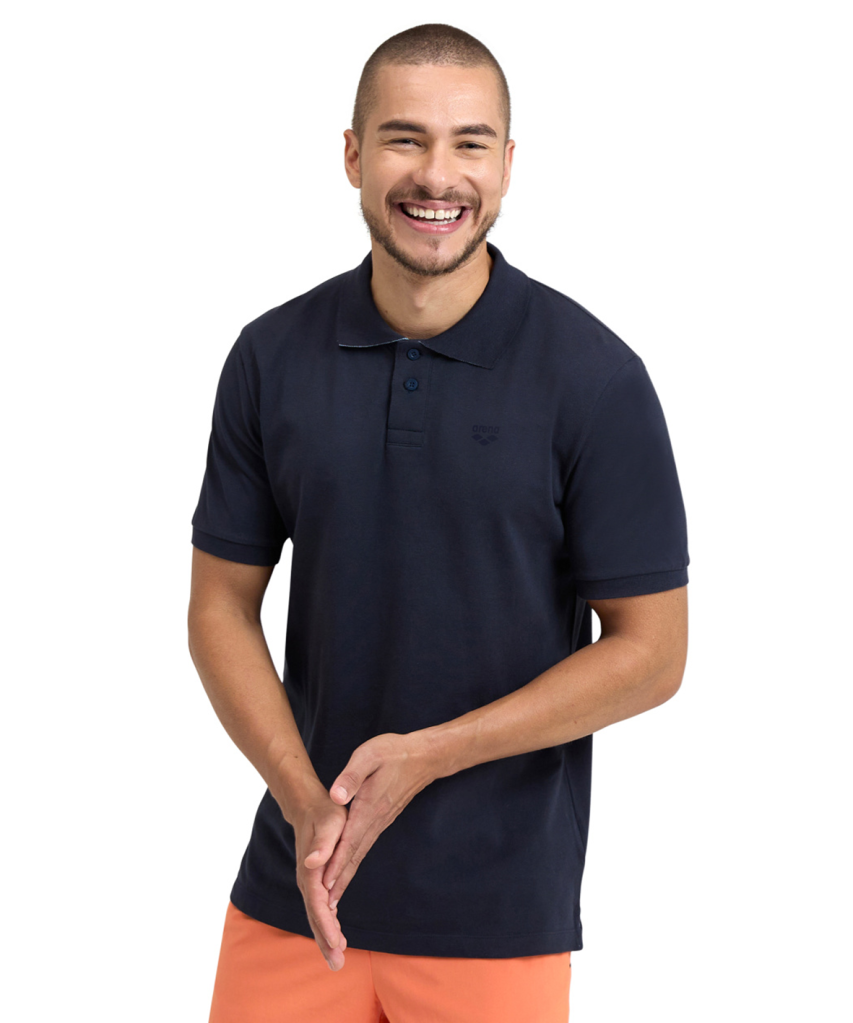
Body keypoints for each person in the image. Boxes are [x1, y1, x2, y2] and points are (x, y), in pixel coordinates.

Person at [188, 22, 690, 1023]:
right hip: (296, 893)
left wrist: (429, 754)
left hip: (494, 918)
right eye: (404, 138)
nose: (437, 175)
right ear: (352, 155)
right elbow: (219, 608)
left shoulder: (594, 378)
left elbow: (652, 653)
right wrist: (302, 799)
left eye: (469, 143)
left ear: (506, 164)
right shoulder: (269, 357)